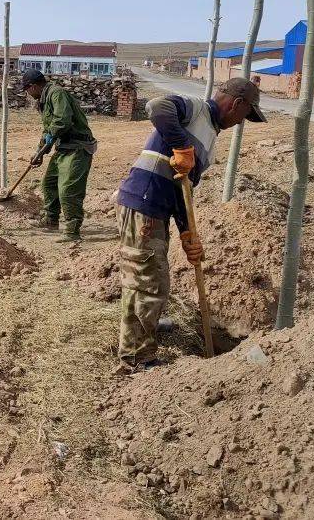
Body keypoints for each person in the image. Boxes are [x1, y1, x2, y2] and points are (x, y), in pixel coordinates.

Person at [115, 77, 266, 371]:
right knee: (148, 283)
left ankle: (145, 329)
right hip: (144, 204)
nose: (241, 122)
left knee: (151, 279)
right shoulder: (195, 110)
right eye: (244, 115)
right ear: (236, 104)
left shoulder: (210, 136)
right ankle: (136, 357)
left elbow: (183, 186)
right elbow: (157, 107)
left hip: (158, 208)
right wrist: (183, 147)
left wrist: (187, 233)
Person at [22, 69, 98, 241]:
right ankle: (50, 220)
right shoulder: (44, 99)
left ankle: (72, 231)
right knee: (49, 184)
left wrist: (50, 139)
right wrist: (40, 151)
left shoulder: (57, 94)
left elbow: (62, 121)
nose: (27, 93)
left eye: (27, 89)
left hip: (78, 147)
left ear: (33, 86)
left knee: (69, 190)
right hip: (64, 147)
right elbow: (48, 129)